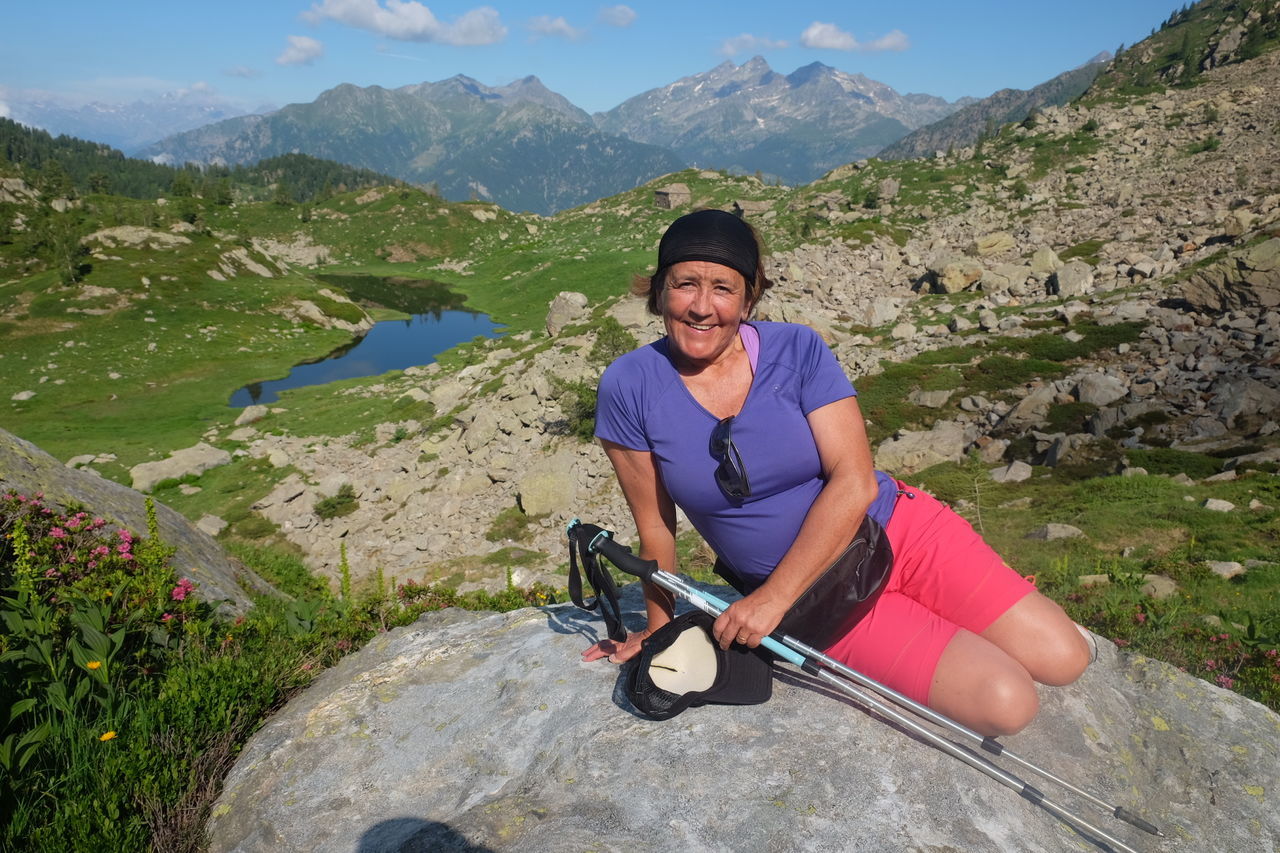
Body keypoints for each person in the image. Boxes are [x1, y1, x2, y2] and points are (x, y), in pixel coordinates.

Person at [581, 208, 1091, 736]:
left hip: (900, 530)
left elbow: (855, 479)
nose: (702, 307)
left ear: (749, 298)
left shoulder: (796, 350)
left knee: (1066, 658)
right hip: (824, 597)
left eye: (723, 289)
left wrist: (768, 602)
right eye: (685, 284)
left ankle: (980, 617)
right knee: (1009, 703)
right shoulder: (630, 386)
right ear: (660, 290)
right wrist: (660, 634)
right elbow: (657, 527)